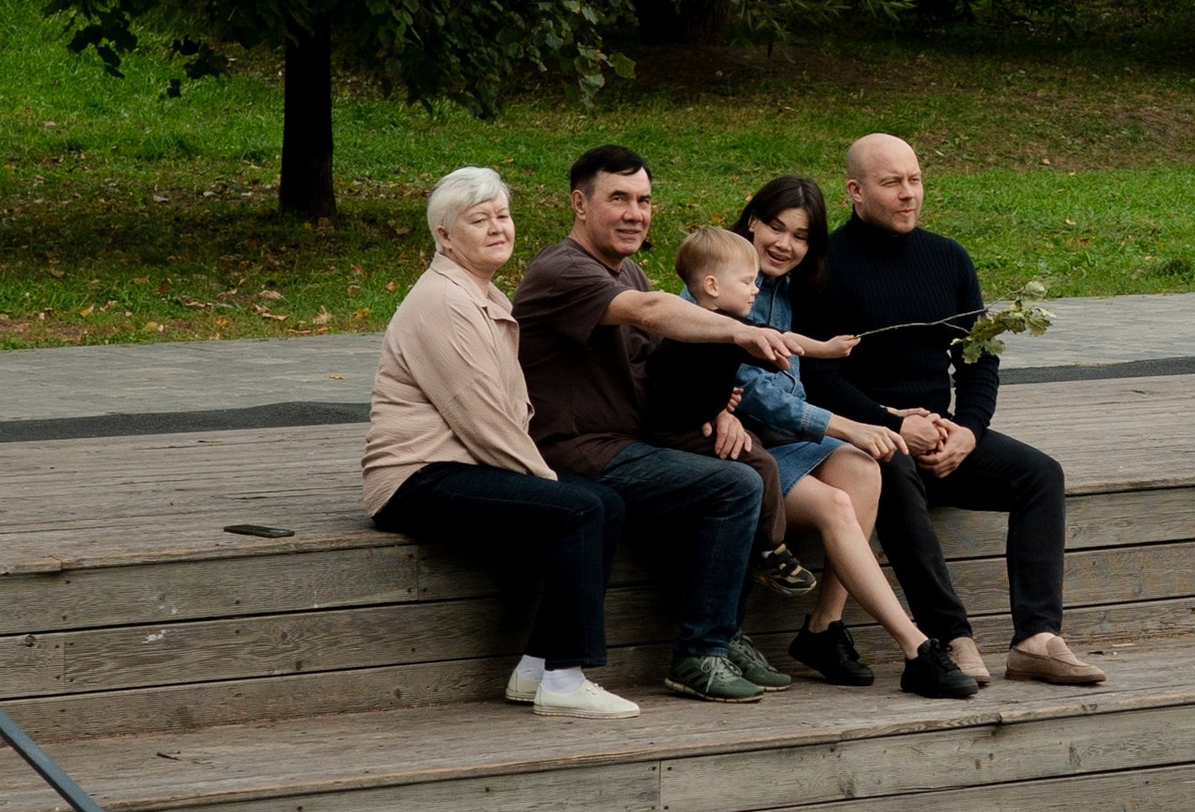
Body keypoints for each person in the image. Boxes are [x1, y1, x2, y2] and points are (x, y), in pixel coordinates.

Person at [800, 132, 1105, 687]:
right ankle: (950, 637)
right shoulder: (823, 267)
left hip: (943, 434)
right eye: (891, 183)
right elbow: (818, 376)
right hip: (870, 437)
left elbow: (978, 357)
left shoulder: (948, 259)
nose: (908, 194)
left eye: (914, 180)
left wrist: (967, 429)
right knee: (891, 467)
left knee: (1040, 474)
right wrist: (895, 424)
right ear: (855, 191)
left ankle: (1036, 638)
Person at [511, 143, 796, 704]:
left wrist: (716, 410)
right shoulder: (562, 269)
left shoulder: (630, 269)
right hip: (574, 450)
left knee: (741, 463)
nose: (635, 213)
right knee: (734, 487)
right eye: (618, 198)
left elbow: (659, 367)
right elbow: (648, 312)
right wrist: (739, 331)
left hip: (630, 440)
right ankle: (700, 654)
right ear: (579, 203)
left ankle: (727, 637)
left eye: (643, 200)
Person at [360, 166, 638, 719]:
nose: (497, 228)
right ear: (444, 234)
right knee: (581, 507)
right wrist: (547, 479)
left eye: (503, 216)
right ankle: (565, 680)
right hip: (416, 477)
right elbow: (482, 418)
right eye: (478, 219)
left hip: (456, 466)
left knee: (602, 503)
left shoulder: (481, 295)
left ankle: (536, 666)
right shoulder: (443, 301)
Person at [675, 223, 978, 701]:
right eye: (776, 227)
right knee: (836, 500)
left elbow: (798, 360)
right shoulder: (706, 300)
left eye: (800, 235)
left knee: (862, 465)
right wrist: (845, 425)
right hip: (729, 447)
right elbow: (753, 389)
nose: (785, 244)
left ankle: (823, 629)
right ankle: (915, 644)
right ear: (753, 222)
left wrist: (882, 415)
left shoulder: (780, 292)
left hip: (780, 440)